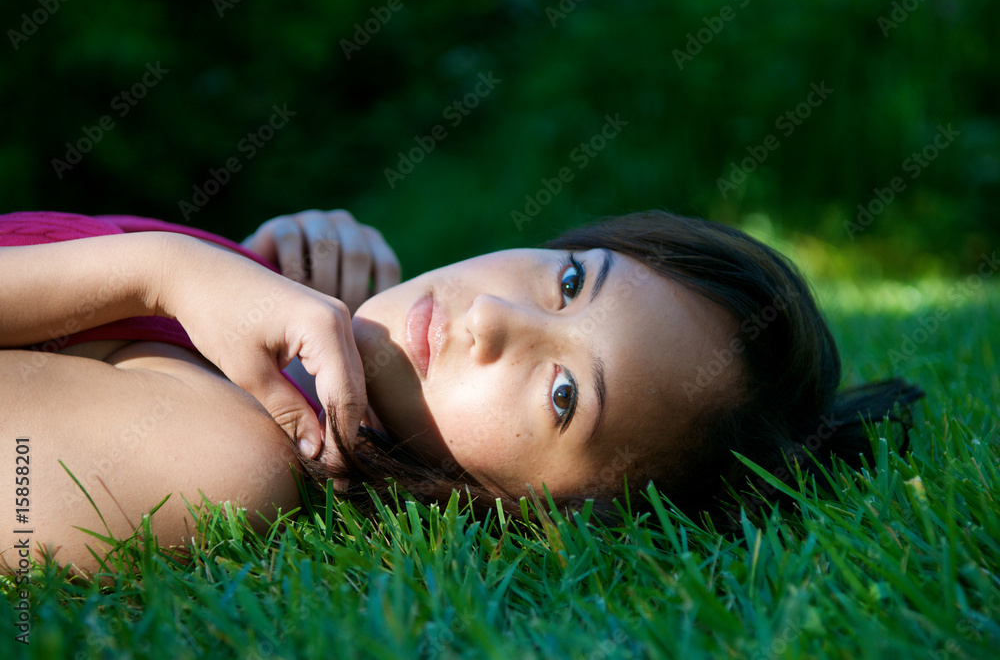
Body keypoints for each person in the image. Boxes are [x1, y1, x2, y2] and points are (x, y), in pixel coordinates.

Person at [0, 209, 921, 573]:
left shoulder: (222, 464)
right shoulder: (295, 313)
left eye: (563, 396)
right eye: (571, 281)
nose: (489, 318)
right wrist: (243, 267)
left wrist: (164, 271)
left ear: (543, 514)